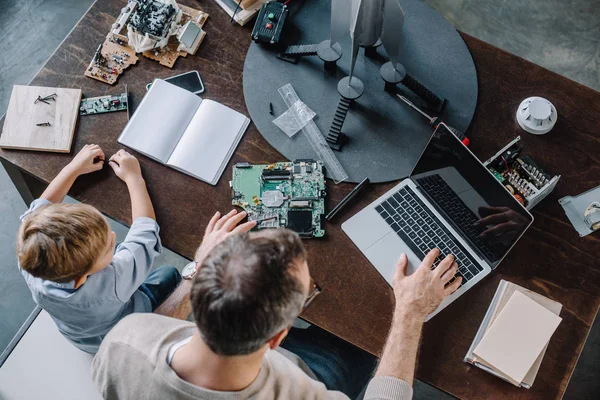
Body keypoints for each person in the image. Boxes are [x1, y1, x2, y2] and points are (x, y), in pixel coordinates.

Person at [92, 211, 461, 399]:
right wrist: (411, 313)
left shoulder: (123, 340)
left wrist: (198, 268)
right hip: (306, 370)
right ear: (277, 339)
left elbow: (153, 327)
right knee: (359, 347)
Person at [16, 145, 182, 353]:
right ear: (82, 277)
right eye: (108, 248)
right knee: (171, 274)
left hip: (80, 336)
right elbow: (144, 235)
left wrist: (73, 168)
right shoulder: (112, 281)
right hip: (122, 330)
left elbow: (40, 210)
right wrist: (134, 179)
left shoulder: (30, 253)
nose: (114, 237)